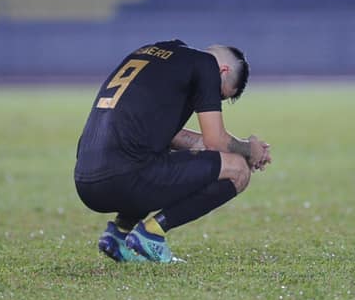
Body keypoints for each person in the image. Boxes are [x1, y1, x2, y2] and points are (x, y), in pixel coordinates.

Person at [73, 39, 271, 263]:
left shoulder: (155, 52)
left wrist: (240, 149)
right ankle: (151, 234)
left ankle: (119, 234)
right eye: (219, 96)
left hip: (86, 182)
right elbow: (215, 141)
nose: (212, 99)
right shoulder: (206, 65)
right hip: (124, 178)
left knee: (152, 154)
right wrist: (249, 148)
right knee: (238, 170)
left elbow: (173, 137)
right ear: (222, 72)